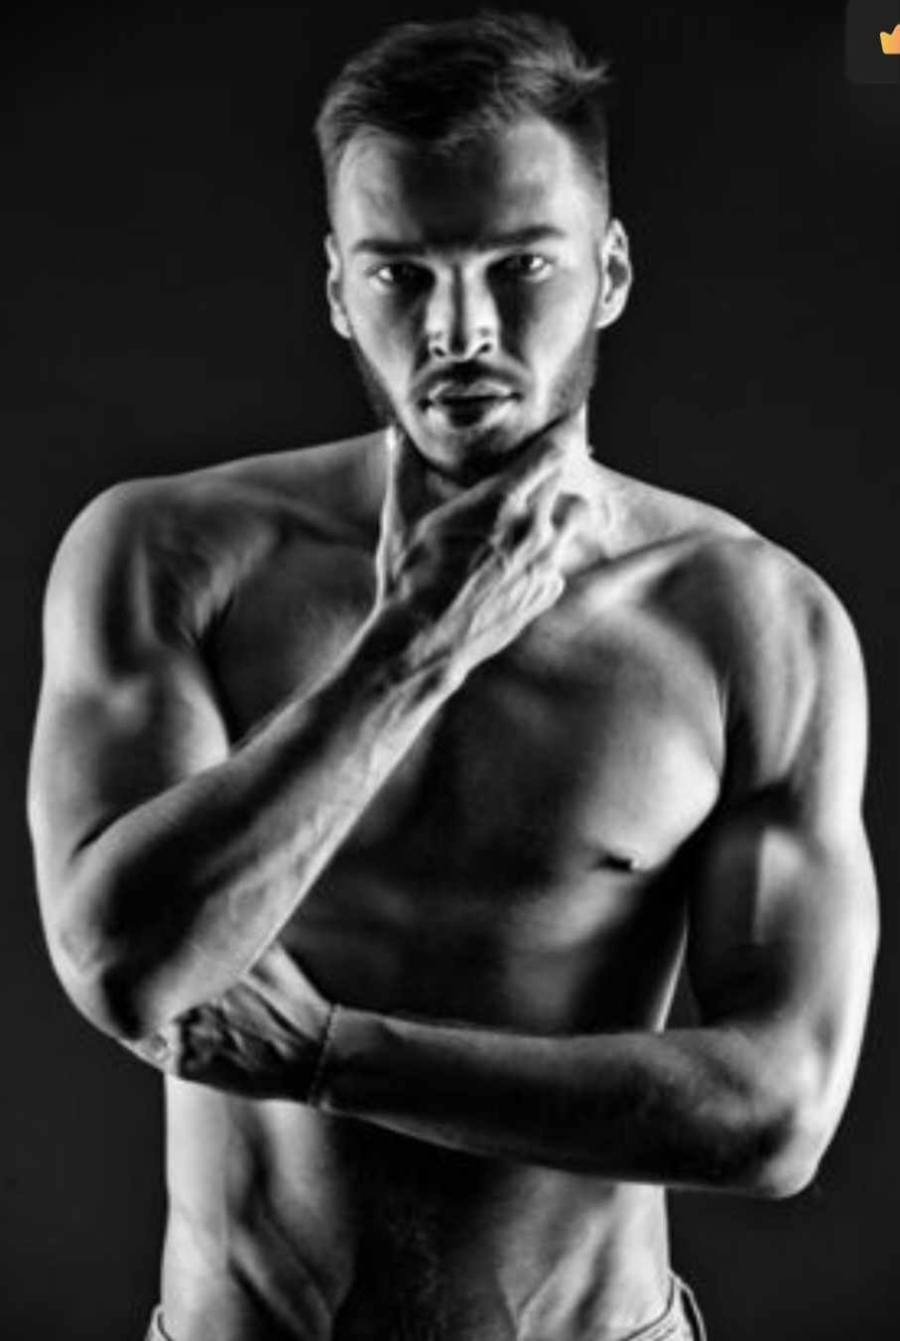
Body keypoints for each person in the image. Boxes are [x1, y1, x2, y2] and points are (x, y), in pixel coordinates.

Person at [27, 12, 878, 1341]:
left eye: (519, 264)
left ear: (610, 270)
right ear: (337, 290)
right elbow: (127, 966)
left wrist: (333, 1060)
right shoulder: (170, 556)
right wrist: (418, 645)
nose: (459, 327)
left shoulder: (751, 620)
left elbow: (775, 1114)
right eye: (401, 274)